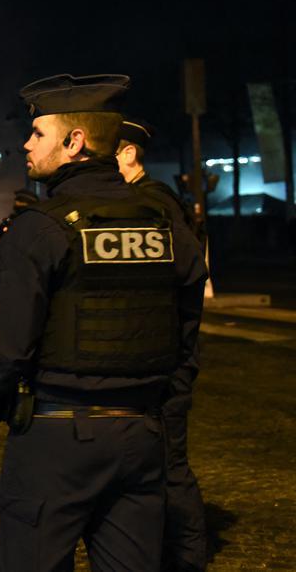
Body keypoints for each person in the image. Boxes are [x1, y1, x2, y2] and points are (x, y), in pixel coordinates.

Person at [0, 74, 207, 571]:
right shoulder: (166, 224)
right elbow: (187, 332)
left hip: (56, 437)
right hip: (142, 433)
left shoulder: (40, 229)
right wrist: (163, 402)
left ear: (75, 142)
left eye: (38, 133)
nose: (27, 144)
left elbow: (4, 351)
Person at [117, 118, 207, 571]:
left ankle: (187, 559)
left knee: (171, 467)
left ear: (129, 154)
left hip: (168, 360)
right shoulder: (148, 201)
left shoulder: (155, 204)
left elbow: (187, 279)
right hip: (159, 355)